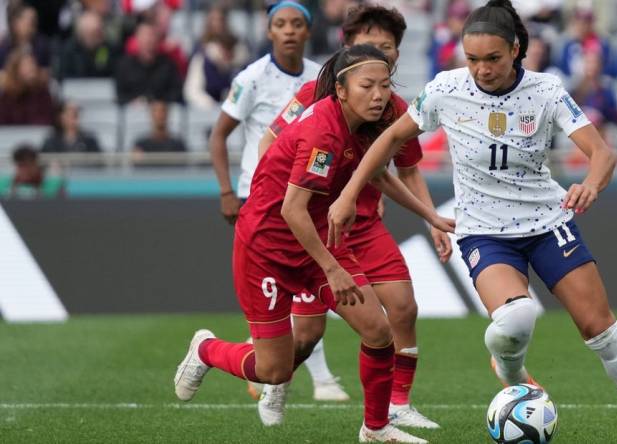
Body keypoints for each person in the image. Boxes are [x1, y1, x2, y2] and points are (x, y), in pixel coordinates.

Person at [327, 1, 617, 443]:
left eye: (492, 59)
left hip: (548, 222)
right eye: (472, 59)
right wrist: (351, 192)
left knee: (599, 328)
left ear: (514, 50)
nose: (481, 70)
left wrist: (591, 184)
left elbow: (602, 153)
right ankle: (513, 371)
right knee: (515, 319)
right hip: (484, 231)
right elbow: (391, 138)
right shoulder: (446, 88)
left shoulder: (546, 90)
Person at [174, 44, 452, 444]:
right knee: (274, 371)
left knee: (377, 330)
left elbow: (377, 174)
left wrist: (429, 214)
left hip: (315, 240)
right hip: (266, 249)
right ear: (341, 89)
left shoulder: (369, 121)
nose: (379, 95)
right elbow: (292, 210)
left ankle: (375, 429)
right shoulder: (323, 130)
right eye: (368, 86)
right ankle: (206, 350)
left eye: (385, 85)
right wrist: (332, 268)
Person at [252, 4, 450, 430]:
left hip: (364, 225)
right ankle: (276, 379)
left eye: (387, 47)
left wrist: (433, 219)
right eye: (369, 45)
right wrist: (279, 198)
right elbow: (272, 142)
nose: (379, 52)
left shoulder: (396, 108)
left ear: (396, 54)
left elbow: (404, 170)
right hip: (316, 226)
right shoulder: (316, 97)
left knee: (402, 307)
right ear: (349, 50)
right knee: (305, 336)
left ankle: (394, 405)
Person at [207, 2, 347, 404]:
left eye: (297, 24)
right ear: (269, 32)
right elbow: (219, 136)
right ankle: (300, 376)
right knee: (281, 294)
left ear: (308, 31)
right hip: (262, 199)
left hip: (307, 198)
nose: (288, 31)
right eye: (280, 24)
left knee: (307, 302)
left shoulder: (322, 78)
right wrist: (226, 191)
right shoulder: (252, 78)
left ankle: (295, 377)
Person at [114, 20, 182, 105]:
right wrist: (133, 102)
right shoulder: (124, 66)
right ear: (137, 39)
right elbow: (120, 96)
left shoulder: (168, 65)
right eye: (144, 36)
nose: (149, 40)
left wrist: (160, 103)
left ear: (158, 39)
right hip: (132, 114)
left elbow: (176, 93)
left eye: (152, 35)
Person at [0, 47, 55, 126]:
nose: (31, 68)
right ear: (15, 69)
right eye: (26, 65)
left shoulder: (43, 92)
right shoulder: (7, 95)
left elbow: (48, 120)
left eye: (32, 64)